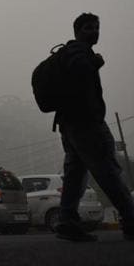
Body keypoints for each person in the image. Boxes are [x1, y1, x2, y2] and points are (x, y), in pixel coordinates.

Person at [54, 12, 134, 241]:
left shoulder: (69, 52)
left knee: (75, 174)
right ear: (78, 31)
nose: (94, 31)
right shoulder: (79, 51)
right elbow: (81, 72)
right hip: (86, 124)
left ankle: (67, 220)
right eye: (88, 28)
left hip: (69, 125)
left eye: (96, 27)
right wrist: (95, 62)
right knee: (108, 170)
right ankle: (130, 218)